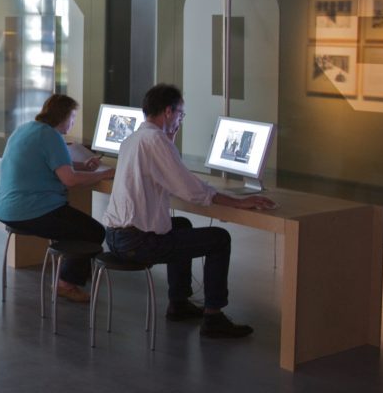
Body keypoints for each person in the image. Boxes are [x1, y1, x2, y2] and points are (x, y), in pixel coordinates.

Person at [103, 83, 277, 338]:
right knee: (219, 238)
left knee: (181, 224)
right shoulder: (155, 141)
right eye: (181, 115)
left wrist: (170, 144)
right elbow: (191, 190)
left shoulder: (134, 138)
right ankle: (214, 317)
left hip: (116, 236)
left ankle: (179, 303)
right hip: (137, 242)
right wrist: (239, 202)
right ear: (168, 112)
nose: (181, 120)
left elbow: (168, 181)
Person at [0, 94, 115, 303]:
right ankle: (66, 283)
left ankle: (76, 269)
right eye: (73, 117)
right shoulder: (51, 136)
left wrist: (84, 166)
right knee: (94, 231)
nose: (74, 122)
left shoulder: (26, 129)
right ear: (64, 116)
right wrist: (103, 175)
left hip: (4, 208)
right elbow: (69, 180)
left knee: (74, 225)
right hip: (29, 210)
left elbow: (54, 163)